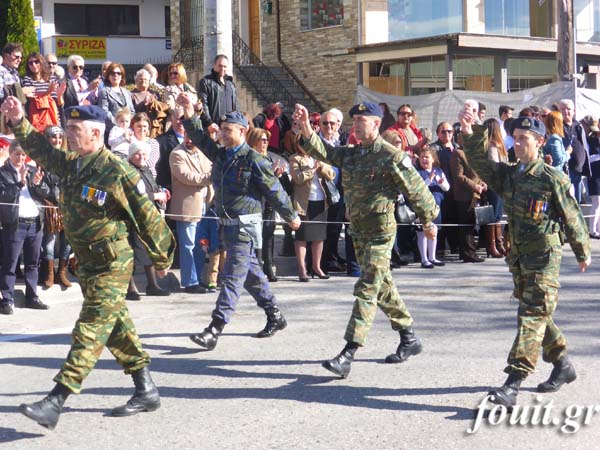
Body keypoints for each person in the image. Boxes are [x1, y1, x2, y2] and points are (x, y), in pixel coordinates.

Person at [1, 98, 175, 429]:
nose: (68, 134)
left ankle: (56, 400)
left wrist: (162, 257)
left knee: (91, 327)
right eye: (67, 127)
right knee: (116, 327)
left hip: (112, 262)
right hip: (88, 263)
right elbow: (41, 149)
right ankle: (146, 388)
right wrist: (19, 120)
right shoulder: (72, 163)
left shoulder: (117, 170)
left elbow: (147, 216)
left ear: (95, 134)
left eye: (74, 129)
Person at [293, 101, 439, 378]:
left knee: (368, 287)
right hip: (358, 230)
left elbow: (418, 191)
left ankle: (348, 352)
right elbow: (325, 151)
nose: (357, 125)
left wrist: (428, 220)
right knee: (382, 286)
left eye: (362, 120)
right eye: (355, 120)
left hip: (381, 231)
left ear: (376, 124)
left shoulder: (391, 156)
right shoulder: (352, 154)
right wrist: (306, 129)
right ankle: (409, 338)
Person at [460, 110, 591, 409]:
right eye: (515, 139)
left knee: (531, 316)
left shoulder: (551, 178)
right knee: (538, 313)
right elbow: (481, 163)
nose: (517, 145)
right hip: (519, 258)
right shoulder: (509, 175)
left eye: (524, 139)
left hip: (545, 258)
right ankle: (562, 364)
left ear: (540, 142)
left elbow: (571, 216)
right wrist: (471, 134)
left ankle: (513, 382)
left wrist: (582, 250)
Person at [178, 93, 301, 350]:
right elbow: (200, 137)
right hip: (226, 224)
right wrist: (189, 112)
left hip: (245, 227)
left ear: (243, 131)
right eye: (221, 129)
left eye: (227, 129)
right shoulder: (222, 154)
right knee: (252, 276)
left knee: (232, 276)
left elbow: (274, 190)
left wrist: (291, 216)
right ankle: (275, 315)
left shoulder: (254, 160)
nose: (221, 133)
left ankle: (215, 328)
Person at [0, 141, 51, 314]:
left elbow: (46, 194)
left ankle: (32, 297)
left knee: (32, 263)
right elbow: (4, 196)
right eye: (17, 154)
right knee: (10, 263)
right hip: (15, 224)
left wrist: (37, 183)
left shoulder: (31, 171)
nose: (20, 158)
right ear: (10, 154)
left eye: (23, 155)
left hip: (35, 223)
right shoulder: (3, 173)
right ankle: (7, 299)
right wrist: (20, 183)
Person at [168, 133, 213, 294]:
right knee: (188, 245)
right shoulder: (176, 154)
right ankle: (190, 281)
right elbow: (187, 177)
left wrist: (208, 178)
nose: (189, 140)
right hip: (186, 207)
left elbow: (210, 168)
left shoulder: (202, 152)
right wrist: (208, 178)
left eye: (191, 137)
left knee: (201, 245)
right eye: (187, 136)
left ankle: (199, 278)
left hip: (203, 205)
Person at [126, 140, 171, 298]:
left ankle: (152, 285)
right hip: (132, 217)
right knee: (131, 253)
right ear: (131, 155)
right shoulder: (129, 171)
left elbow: (152, 187)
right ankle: (130, 288)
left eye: (144, 154)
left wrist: (162, 192)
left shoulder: (146, 169)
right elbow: (136, 195)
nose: (141, 157)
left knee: (148, 251)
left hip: (148, 217)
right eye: (137, 154)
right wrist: (155, 196)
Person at [246, 127, 291, 282]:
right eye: (262, 140)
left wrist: (277, 175)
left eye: (266, 140)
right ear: (254, 141)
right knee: (256, 236)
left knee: (268, 234)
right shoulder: (250, 158)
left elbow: (271, 183)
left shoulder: (269, 159)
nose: (265, 143)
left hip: (269, 204)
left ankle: (269, 266)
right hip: (255, 203)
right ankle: (257, 268)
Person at [289, 135, 335, 281]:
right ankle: (302, 269)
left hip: (321, 201)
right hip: (303, 203)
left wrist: (321, 166)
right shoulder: (295, 159)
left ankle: (317, 266)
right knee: (302, 237)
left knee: (319, 237)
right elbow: (297, 178)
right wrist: (312, 170)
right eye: (303, 144)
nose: (306, 147)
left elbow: (332, 175)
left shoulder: (319, 157)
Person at [39, 125, 72, 290]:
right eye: (53, 137)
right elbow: (39, 184)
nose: (57, 140)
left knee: (68, 241)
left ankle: (62, 273)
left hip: (68, 205)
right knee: (50, 240)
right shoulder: (42, 158)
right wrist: (51, 198)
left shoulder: (69, 158)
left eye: (60, 137)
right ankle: (49, 273)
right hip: (51, 205)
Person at [415, 146, 449, 268]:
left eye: (427, 157)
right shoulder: (417, 173)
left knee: (433, 231)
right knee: (422, 232)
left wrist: (441, 183)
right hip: (423, 207)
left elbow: (447, 188)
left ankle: (432, 257)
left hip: (436, 206)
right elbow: (417, 189)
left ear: (433, 159)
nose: (424, 159)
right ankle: (424, 259)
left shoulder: (439, 171)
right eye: (422, 157)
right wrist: (429, 180)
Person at [483, 118, 509, 258]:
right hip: (495, 183)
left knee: (497, 214)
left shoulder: (497, 145)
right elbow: (494, 165)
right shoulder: (492, 146)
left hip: (499, 183)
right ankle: (492, 245)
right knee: (494, 215)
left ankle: (498, 244)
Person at [197, 54, 238, 127]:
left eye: (224, 66)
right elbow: (203, 105)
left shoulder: (231, 84)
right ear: (214, 65)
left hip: (229, 126)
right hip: (213, 127)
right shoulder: (205, 82)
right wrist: (209, 123)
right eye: (220, 66)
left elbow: (235, 105)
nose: (222, 69)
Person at [586, 120, 600, 239]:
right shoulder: (591, 140)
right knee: (596, 202)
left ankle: (598, 229)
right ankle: (592, 230)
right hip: (594, 175)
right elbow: (589, 158)